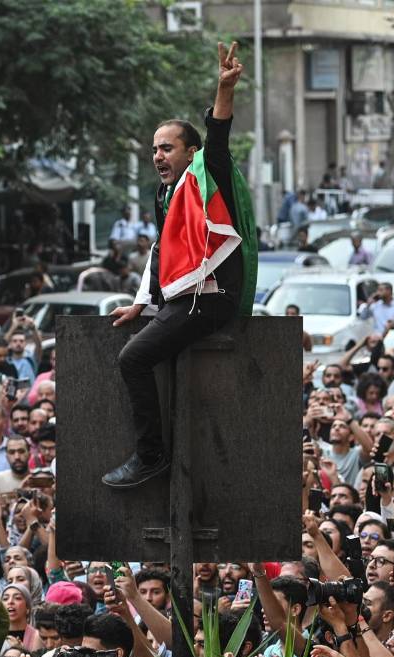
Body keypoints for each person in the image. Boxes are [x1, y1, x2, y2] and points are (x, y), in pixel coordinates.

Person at [103, 42, 254, 489]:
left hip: (210, 300)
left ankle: (150, 457)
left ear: (192, 153)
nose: (157, 156)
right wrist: (140, 305)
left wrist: (224, 90)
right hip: (181, 300)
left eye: (167, 148)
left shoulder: (211, 174)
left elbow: (219, 133)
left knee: (132, 358)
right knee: (140, 351)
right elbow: (161, 253)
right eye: (154, 149)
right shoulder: (166, 195)